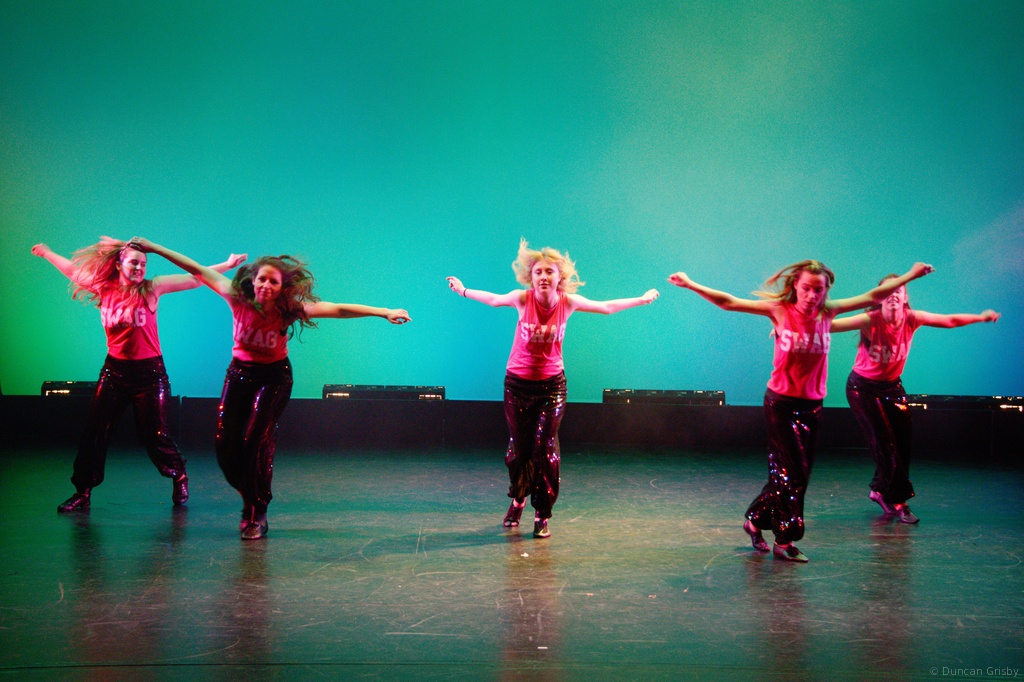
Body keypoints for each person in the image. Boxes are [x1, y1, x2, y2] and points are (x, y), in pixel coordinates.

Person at [131, 238, 410, 540]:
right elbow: (195, 268)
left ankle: (257, 512)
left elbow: (338, 309)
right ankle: (250, 492)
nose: (266, 285)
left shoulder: (287, 310)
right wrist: (154, 248)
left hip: (274, 379)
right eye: (262, 279)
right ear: (253, 280)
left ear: (281, 288)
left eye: (273, 282)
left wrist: (383, 311)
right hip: (239, 375)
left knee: (255, 440)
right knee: (225, 445)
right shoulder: (235, 297)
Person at [669, 260, 933, 562]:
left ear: (826, 291)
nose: (811, 295)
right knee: (792, 476)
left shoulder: (828, 312)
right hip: (781, 405)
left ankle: (755, 519)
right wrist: (690, 283)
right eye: (806, 288)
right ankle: (784, 540)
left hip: (812, 408)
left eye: (818, 290)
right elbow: (728, 302)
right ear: (796, 285)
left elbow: (874, 296)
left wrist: (911, 275)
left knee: (793, 475)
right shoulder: (780, 311)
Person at [447, 239, 659, 539]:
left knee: (545, 449)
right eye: (538, 272)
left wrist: (642, 299)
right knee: (519, 451)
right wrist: (463, 290)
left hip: (552, 387)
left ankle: (542, 513)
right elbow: (493, 299)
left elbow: (607, 307)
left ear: (560, 277)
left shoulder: (567, 302)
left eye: (550, 271)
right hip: (517, 385)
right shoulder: (522, 299)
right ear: (531, 277)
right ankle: (518, 500)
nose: (544, 276)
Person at [32, 238, 245, 513]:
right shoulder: (104, 286)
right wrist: (48, 252)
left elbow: (194, 279)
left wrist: (226, 265)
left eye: (143, 264)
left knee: (154, 435)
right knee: (94, 432)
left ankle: (178, 474)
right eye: (134, 263)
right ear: (119, 264)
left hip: (150, 375)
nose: (139, 268)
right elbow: (72, 271)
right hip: (114, 372)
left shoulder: (151, 288)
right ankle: (82, 491)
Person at [831, 276, 999, 524]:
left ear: (905, 297)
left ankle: (879, 490)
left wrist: (981, 317)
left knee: (902, 444)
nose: (894, 295)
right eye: (888, 291)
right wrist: (789, 327)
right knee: (886, 445)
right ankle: (899, 501)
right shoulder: (870, 320)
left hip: (892, 387)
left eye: (899, 290)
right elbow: (831, 325)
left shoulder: (912, 318)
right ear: (879, 297)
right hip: (863, 389)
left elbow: (949, 320)